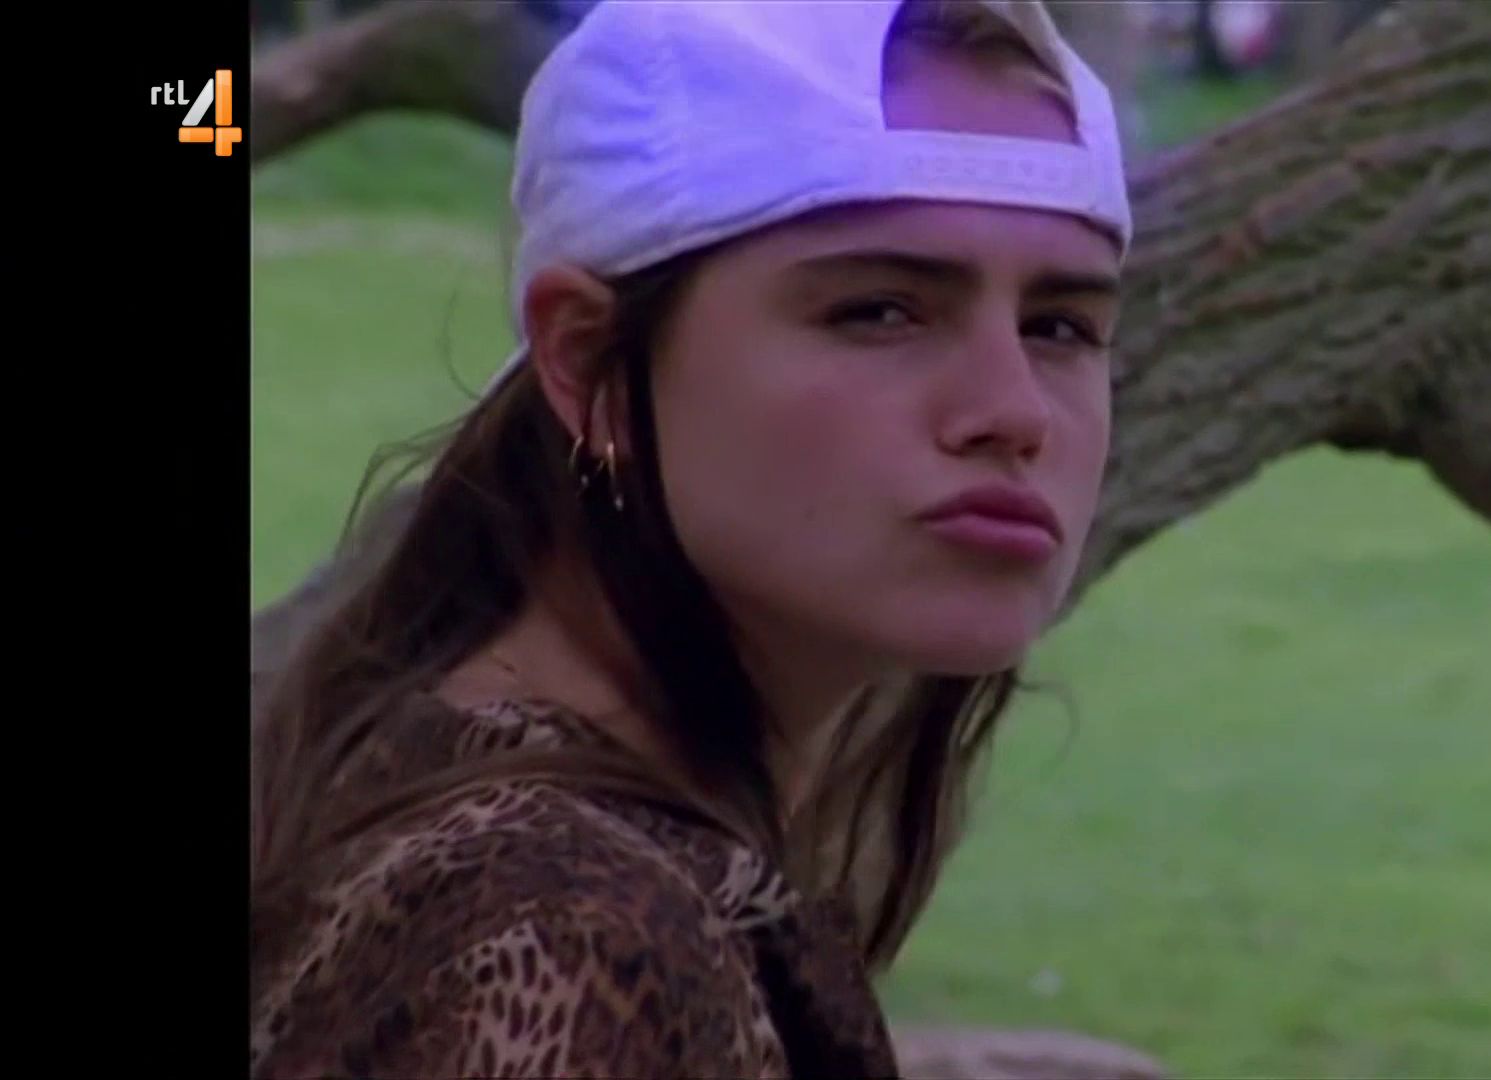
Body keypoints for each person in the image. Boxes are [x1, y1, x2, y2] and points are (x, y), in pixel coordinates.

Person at [248, 0, 1132, 1075]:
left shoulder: (472, 806)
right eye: (880, 310)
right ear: (589, 366)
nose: (1015, 411)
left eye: (1059, 326)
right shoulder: (572, 939)